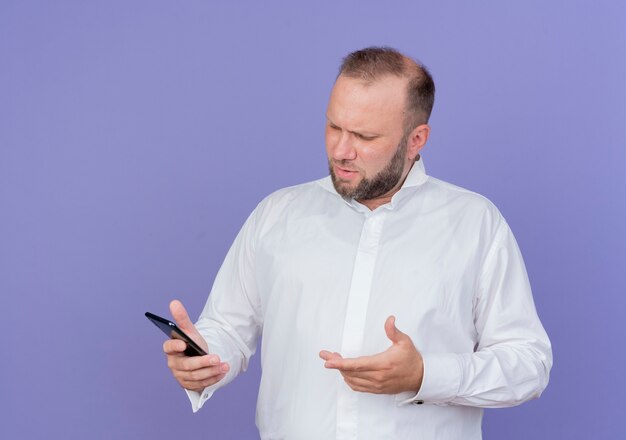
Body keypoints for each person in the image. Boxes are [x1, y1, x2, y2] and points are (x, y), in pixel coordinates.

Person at [162, 47, 552, 439]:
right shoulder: (276, 215)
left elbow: (528, 365)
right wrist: (204, 358)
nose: (340, 151)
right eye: (334, 127)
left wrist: (424, 375)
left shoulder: (475, 224)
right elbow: (228, 329)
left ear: (416, 139)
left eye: (364, 136)